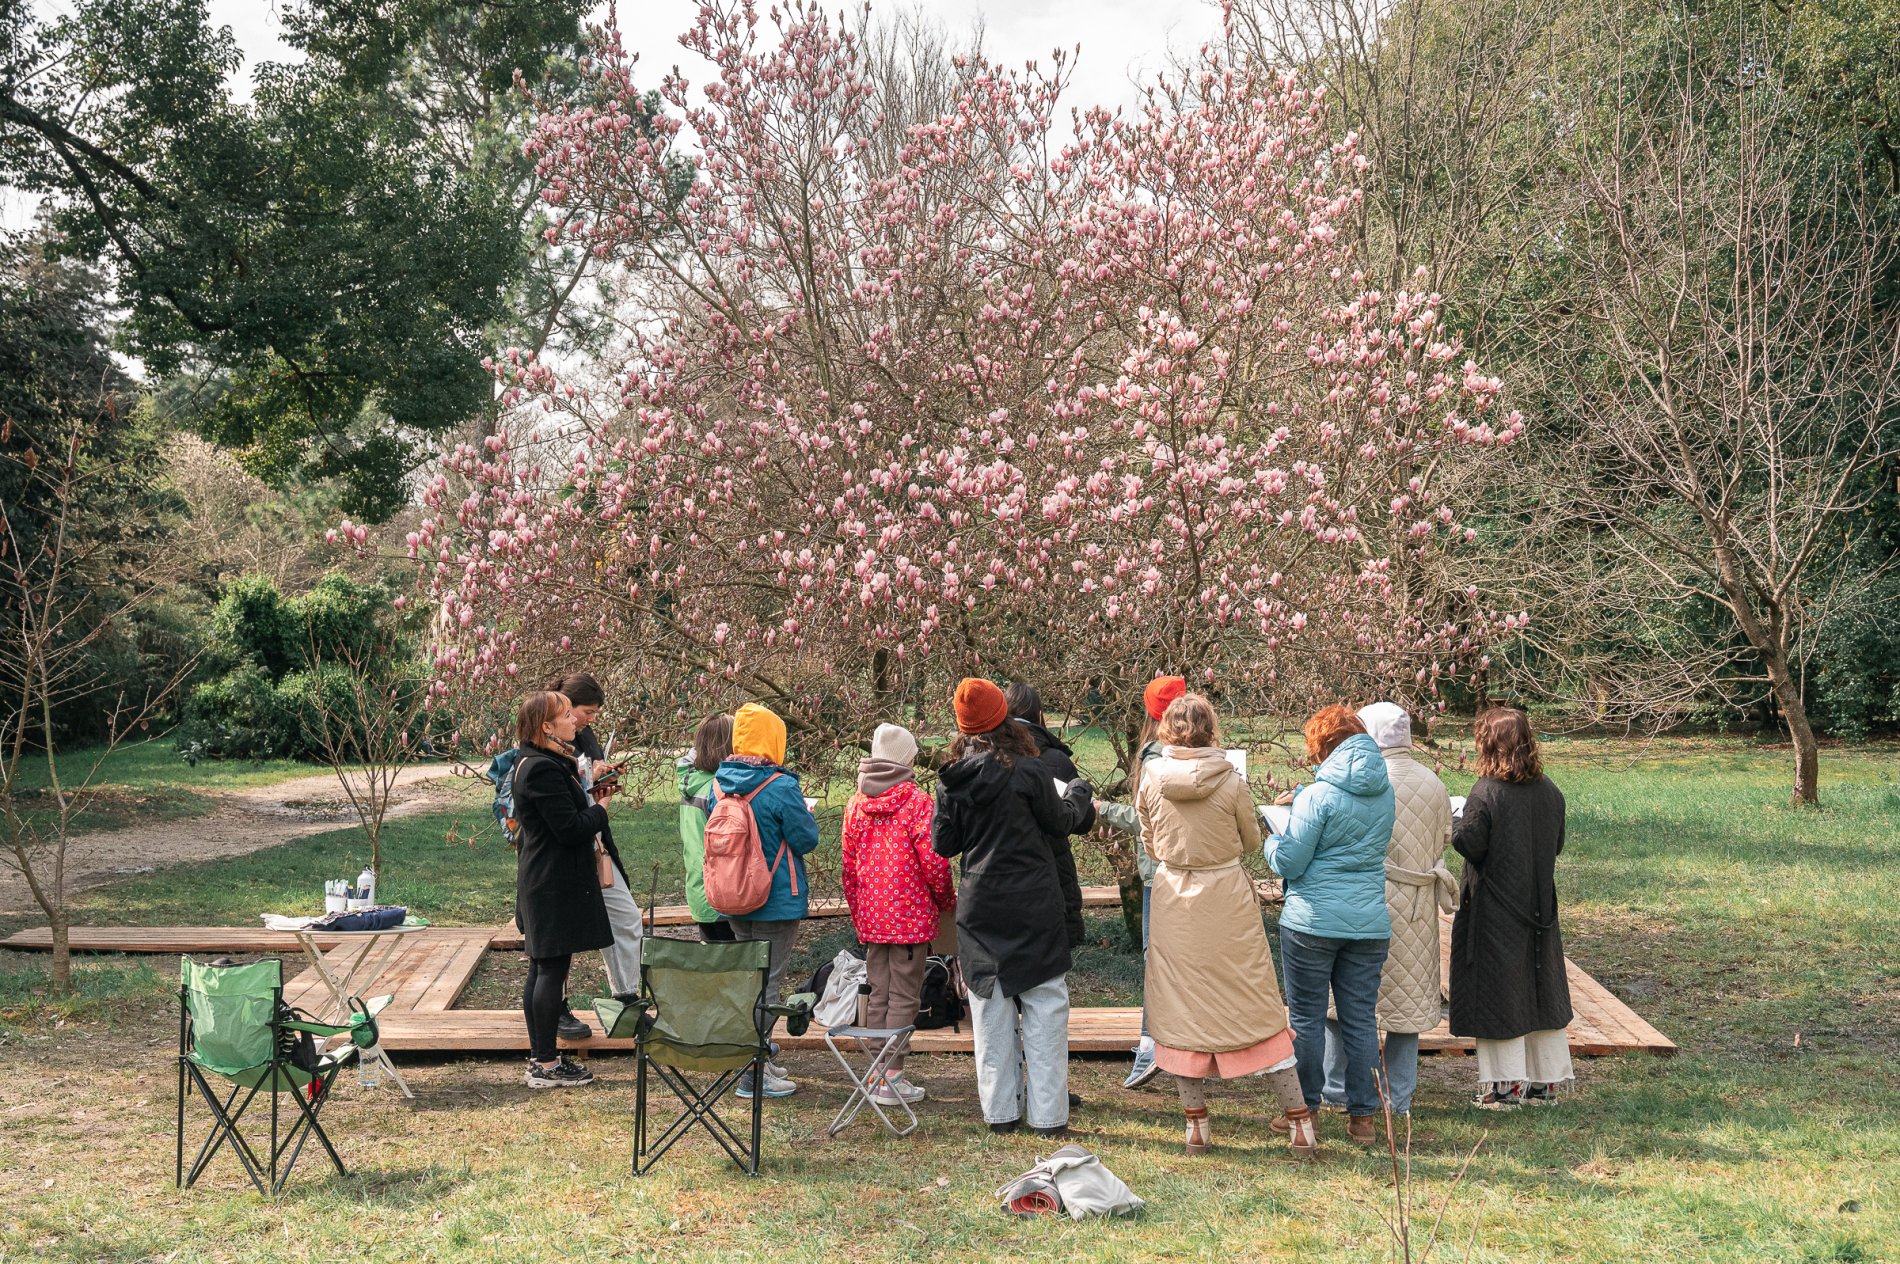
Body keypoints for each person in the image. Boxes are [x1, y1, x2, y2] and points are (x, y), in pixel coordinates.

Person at [1137, 693, 1316, 1157]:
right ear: (1210, 729)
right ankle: (1299, 1122)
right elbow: (1252, 839)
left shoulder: (1150, 779)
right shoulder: (1232, 780)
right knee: (1253, 998)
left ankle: (1196, 1124)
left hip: (1175, 896)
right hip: (1227, 895)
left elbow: (1150, 841)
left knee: (1179, 1004)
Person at [933, 677, 1094, 1137]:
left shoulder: (953, 779)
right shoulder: (1029, 771)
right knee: (1045, 1008)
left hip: (981, 905)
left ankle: (1000, 1114)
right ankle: (1048, 1118)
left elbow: (944, 843)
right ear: (1003, 717)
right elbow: (1061, 821)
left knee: (989, 1011)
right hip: (1033, 901)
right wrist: (1078, 792)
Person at [1313, 702, 1457, 1121]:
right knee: (1407, 1005)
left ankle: (1337, 1086)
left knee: (1343, 999)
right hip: (1418, 906)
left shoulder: (1365, 780)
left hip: (1368, 896)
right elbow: (1445, 835)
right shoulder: (1433, 781)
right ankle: (1400, 1095)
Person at [1265, 706, 1395, 1146]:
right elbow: (1352, 825)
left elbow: (1291, 861)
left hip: (1312, 922)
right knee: (1360, 1020)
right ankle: (1363, 1120)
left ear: (1323, 746)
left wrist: (1270, 839)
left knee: (1306, 1016)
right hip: (1369, 922)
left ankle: (1307, 1113)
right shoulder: (1383, 790)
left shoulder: (1317, 797)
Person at [1450, 706, 1573, 1109]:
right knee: (1541, 989)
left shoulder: (1487, 792)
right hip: (1539, 905)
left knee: (1498, 991)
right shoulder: (1550, 791)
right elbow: (1554, 844)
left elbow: (1470, 843)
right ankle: (1546, 1083)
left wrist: (1456, 821)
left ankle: (1504, 1089)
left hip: (1495, 908)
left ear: (1489, 744)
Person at [841, 722, 955, 1107]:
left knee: (877, 993)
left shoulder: (856, 803)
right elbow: (935, 864)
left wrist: (859, 914)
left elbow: (849, 867)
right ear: (907, 759)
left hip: (873, 919)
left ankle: (876, 1073)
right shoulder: (917, 803)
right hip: (910, 919)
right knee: (905, 996)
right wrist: (945, 901)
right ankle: (891, 1077)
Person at [714, 701, 821, 1098]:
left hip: (734, 896)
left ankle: (756, 1059)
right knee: (769, 985)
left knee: (750, 983)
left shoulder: (718, 785)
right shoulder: (780, 787)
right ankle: (754, 1074)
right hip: (776, 899)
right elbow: (806, 839)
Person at [510, 690, 617, 1088]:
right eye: (566, 716)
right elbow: (569, 829)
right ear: (546, 726)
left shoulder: (542, 761)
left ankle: (542, 1060)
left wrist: (591, 796)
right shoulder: (541, 768)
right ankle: (546, 1064)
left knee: (544, 967)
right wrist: (601, 810)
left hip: (546, 878)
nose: (574, 721)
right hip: (551, 882)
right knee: (549, 968)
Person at [1093, 674, 1185, 1089]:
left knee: (1156, 959)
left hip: (1159, 872)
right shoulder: (1207, 756)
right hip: (1200, 871)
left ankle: (1151, 1044)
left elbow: (1145, 819)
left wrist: (1101, 809)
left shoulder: (1155, 759)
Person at [550, 672, 641, 1036]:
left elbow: (584, 786)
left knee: (625, 916)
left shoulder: (583, 736)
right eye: (585, 712)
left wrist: (601, 778)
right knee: (559, 933)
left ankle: (627, 998)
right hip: (563, 850)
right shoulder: (544, 746)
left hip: (596, 843)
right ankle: (556, 1008)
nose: (587, 720)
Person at [1005, 682, 1086, 951]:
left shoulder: (988, 759)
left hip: (1001, 875)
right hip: (1051, 870)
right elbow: (1080, 822)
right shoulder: (1053, 761)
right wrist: (1078, 793)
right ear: (1039, 716)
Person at [677, 713, 738, 943]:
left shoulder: (691, 782)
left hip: (698, 890)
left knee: (713, 966)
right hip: (722, 893)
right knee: (732, 967)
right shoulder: (720, 788)